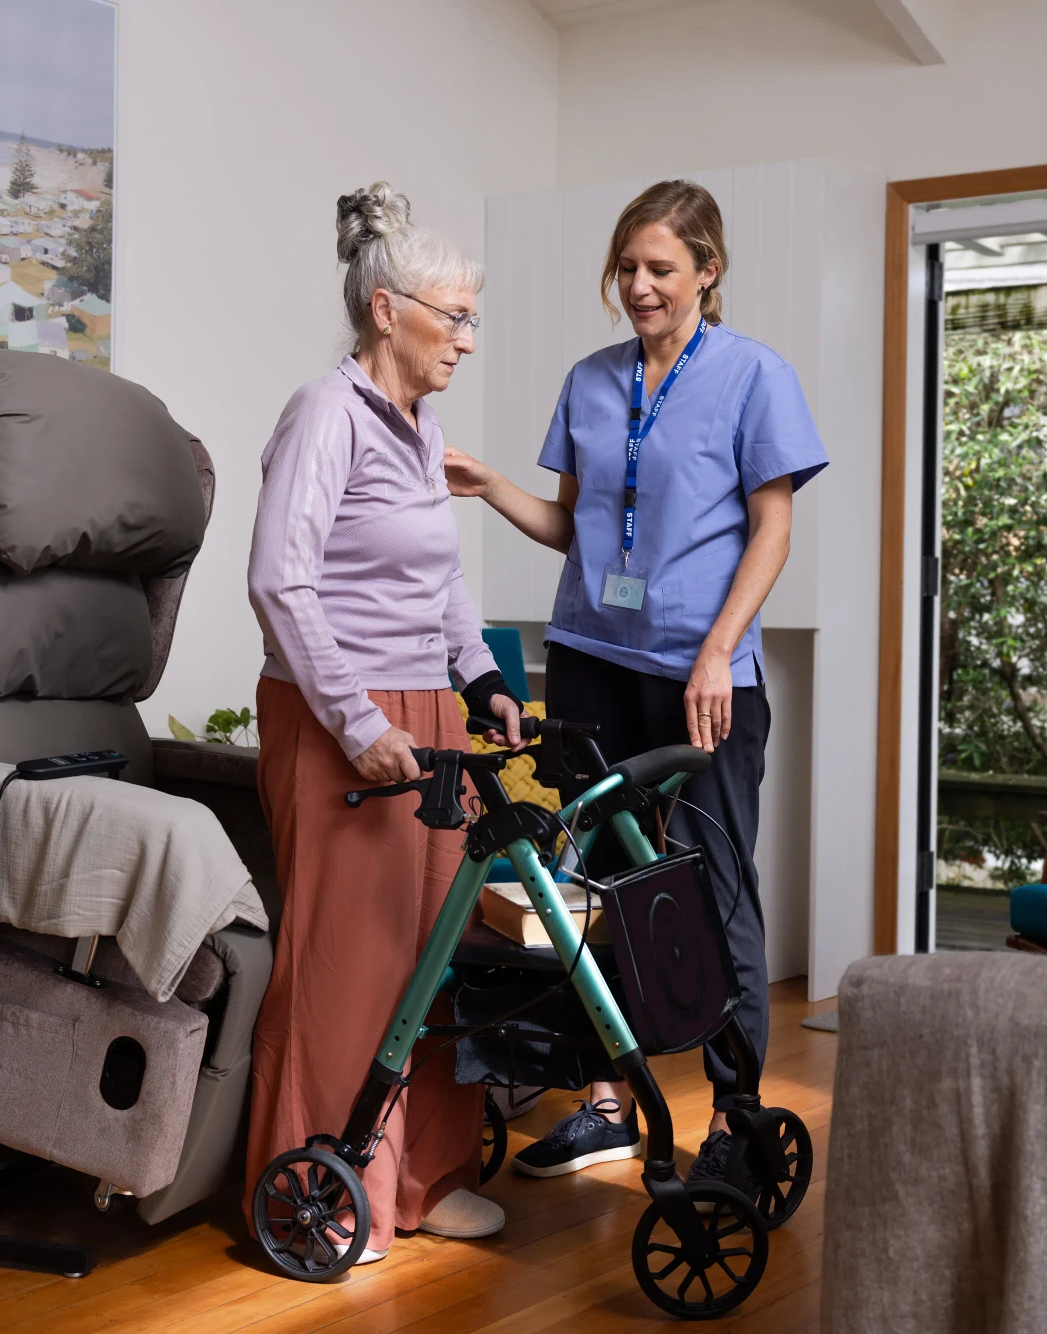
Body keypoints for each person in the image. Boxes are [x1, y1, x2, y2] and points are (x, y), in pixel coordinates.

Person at [444, 180, 827, 1183]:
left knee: (713, 885)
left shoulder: (753, 377)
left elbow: (772, 525)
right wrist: (490, 488)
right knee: (597, 882)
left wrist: (717, 650)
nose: (640, 286)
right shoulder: (590, 378)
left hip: (701, 676)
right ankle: (608, 1102)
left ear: (708, 268)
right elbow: (574, 527)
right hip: (591, 659)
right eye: (627, 268)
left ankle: (736, 1118)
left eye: (660, 268)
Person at [245, 182, 527, 1264]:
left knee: (433, 953)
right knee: (349, 957)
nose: (465, 336)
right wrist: (356, 718)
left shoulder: (420, 425)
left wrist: (481, 678)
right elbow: (281, 580)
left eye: (469, 317)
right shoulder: (325, 413)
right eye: (452, 315)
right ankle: (325, 1182)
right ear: (385, 311)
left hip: (424, 714)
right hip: (339, 716)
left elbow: (440, 579)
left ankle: (420, 1174)